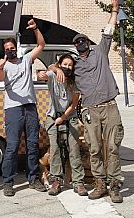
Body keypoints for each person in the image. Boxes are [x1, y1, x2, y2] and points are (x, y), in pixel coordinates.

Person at [52, 0, 124, 203]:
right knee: (94, 148)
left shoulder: (100, 52)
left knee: (112, 147)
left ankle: (115, 186)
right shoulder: (73, 66)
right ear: (75, 47)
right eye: (77, 42)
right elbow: (52, 67)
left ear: (88, 42)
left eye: (83, 40)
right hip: (90, 110)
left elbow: (109, 31)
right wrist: (56, 68)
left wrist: (114, 10)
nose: (81, 43)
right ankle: (100, 184)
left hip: (109, 106)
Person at [0, 18, 47, 196]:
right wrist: (0, 67)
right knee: (12, 146)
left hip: (30, 107)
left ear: (16, 48)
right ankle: (8, 183)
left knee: (33, 145)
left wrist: (35, 29)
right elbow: (0, 78)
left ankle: (33, 179)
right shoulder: (4, 66)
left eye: (12, 48)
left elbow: (41, 44)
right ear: (4, 51)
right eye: (6, 49)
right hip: (13, 109)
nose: (10, 50)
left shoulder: (26, 59)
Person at [42, 54, 87, 197]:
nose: (67, 67)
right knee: (54, 149)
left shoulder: (75, 82)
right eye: (64, 64)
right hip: (52, 116)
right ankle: (56, 180)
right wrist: (55, 69)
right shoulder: (54, 76)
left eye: (70, 65)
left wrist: (63, 118)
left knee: (74, 149)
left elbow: (74, 104)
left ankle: (78, 182)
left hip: (69, 116)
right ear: (60, 64)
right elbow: (41, 75)